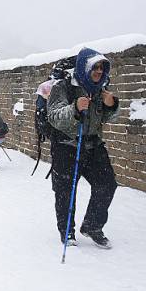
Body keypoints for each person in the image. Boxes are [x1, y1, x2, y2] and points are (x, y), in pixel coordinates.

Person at [47, 48, 119, 249]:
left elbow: (103, 119)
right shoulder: (63, 87)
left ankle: (92, 226)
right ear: (83, 67)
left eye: (101, 68)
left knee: (107, 184)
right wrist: (74, 108)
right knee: (66, 191)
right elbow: (53, 116)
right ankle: (67, 231)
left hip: (93, 145)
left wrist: (110, 106)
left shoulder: (100, 88)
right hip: (66, 146)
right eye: (94, 67)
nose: (98, 72)